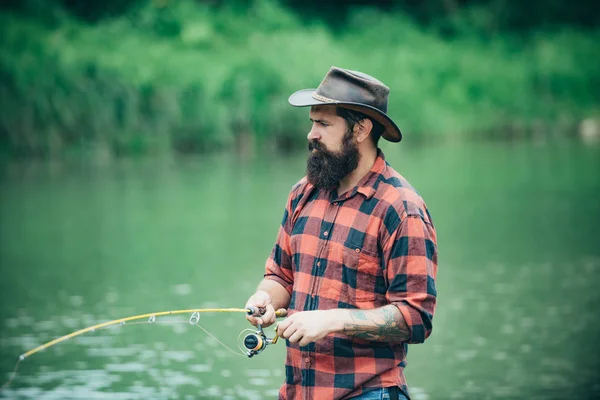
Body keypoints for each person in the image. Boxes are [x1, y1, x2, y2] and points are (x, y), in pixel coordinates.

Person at [245, 66, 438, 400]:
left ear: (360, 129)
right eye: (312, 123)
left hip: (370, 393)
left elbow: (415, 318)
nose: (311, 134)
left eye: (324, 124)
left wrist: (332, 320)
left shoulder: (400, 208)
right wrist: (265, 299)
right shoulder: (301, 194)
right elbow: (280, 276)